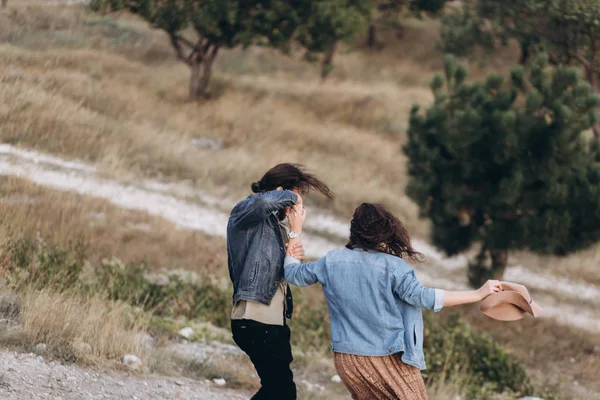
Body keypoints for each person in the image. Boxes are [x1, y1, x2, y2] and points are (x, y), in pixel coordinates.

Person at [284, 203, 502, 400]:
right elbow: (424, 297)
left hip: (347, 359)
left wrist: (295, 232)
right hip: (386, 357)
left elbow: (293, 274)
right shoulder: (392, 267)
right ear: (384, 232)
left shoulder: (331, 261)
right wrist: (477, 294)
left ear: (355, 231)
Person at [227, 163, 333, 400]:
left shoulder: (278, 226)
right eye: (295, 198)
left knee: (277, 389)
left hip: (273, 320)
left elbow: (292, 273)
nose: (297, 206)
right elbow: (264, 202)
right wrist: (293, 197)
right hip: (254, 316)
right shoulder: (245, 212)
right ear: (279, 191)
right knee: (282, 391)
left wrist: (295, 232)